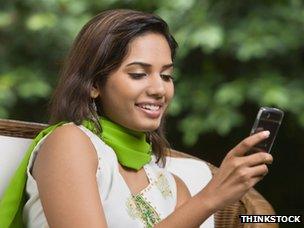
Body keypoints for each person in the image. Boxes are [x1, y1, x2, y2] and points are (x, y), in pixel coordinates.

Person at [22, 9, 273, 227]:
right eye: (139, 74)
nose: (159, 89)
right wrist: (209, 199)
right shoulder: (70, 143)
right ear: (94, 84)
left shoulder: (173, 188)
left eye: (166, 76)